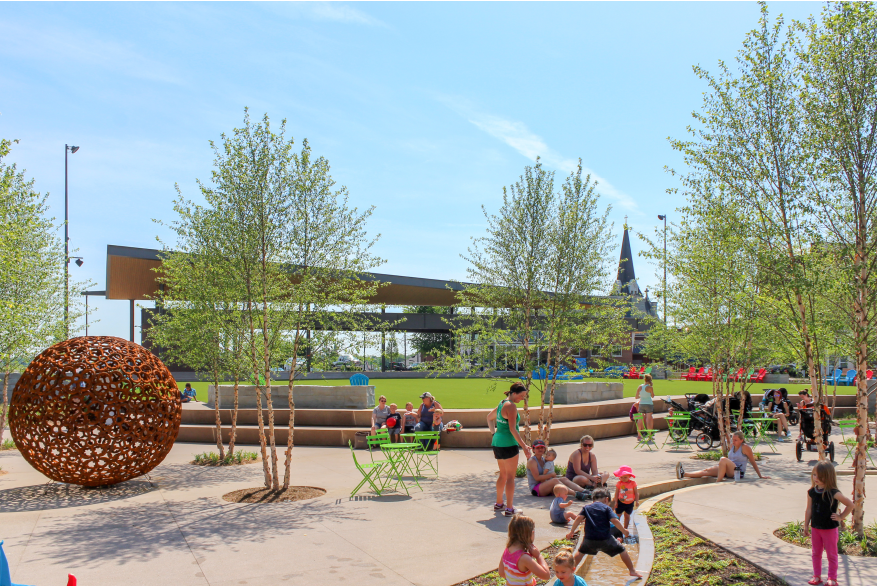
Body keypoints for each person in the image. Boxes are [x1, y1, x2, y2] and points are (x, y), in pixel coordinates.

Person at [565, 488, 642, 579]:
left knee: (581, 552)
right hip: (605, 538)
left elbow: (578, 518)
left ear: (593, 499)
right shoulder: (607, 508)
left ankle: (569, 571)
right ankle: (632, 570)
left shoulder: (586, 508)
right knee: (622, 550)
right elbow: (614, 520)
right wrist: (624, 531)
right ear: (606, 499)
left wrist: (572, 531)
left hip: (589, 539)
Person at [804, 461, 853, 587]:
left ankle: (832, 578)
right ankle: (816, 576)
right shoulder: (811, 492)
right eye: (814, 475)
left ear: (828, 476)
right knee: (816, 553)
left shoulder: (833, 492)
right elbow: (809, 510)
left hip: (830, 529)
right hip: (815, 528)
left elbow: (850, 505)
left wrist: (841, 517)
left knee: (831, 554)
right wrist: (806, 525)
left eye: (820, 476)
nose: (816, 478)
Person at [488, 382, 532, 517]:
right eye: (521, 396)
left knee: (503, 474)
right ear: (513, 393)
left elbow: (489, 418)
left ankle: (499, 503)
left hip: (497, 442)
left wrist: (493, 434)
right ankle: (509, 508)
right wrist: (524, 446)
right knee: (510, 478)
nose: (522, 399)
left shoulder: (502, 403)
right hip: (508, 443)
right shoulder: (511, 406)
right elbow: (513, 429)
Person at [676, 430, 771, 482]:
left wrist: (760, 476)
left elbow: (752, 461)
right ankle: (684, 474)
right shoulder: (732, 445)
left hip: (738, 472)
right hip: (728, 469)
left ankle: (718, 481)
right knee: (707, 471)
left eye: (736, 440)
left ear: (741, 440)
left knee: (723, 459)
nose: (733, 442)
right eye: (733, 440)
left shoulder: (745, 447)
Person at [496, 514, 551, 586]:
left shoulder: (507, 550)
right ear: (531, 533)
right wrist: (538, 556)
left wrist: (516, 579)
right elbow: (546, 576)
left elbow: (501, 573)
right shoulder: (524, 558)